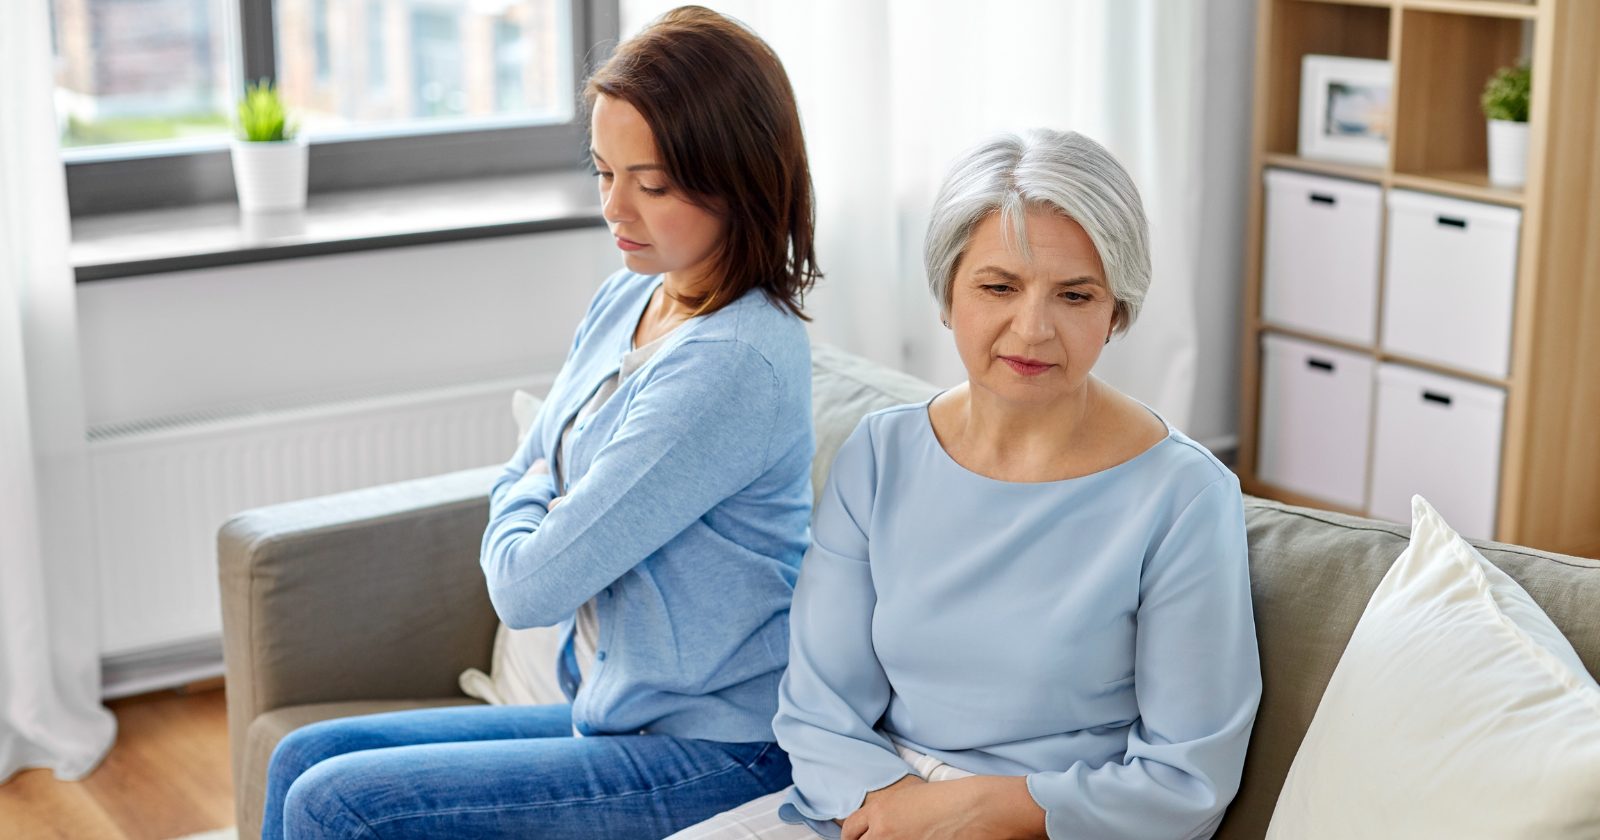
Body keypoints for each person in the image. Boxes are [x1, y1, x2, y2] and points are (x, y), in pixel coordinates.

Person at [260, 7, 820, 838]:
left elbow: (527, 587)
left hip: (725, 747)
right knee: (302, 757)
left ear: (737, 179)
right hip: (616, 712)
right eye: (604, 172)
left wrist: (535, 494)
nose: (615, 208)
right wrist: (536, 494)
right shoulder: (629, 294)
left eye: (651, 184)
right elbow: (526, 471)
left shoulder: (734, 362)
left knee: (334, 804)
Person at [670, 129, 1261, 840]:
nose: (1032, 329)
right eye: (999, 287)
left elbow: (1186, 781)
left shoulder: (1184, 496)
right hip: (867, 805)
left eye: (1075, 295)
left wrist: (975, 808)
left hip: (1052, 824)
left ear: (1116, 311)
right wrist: (887, 806)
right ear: (948, 294)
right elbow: (819, 708)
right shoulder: (880, 456)